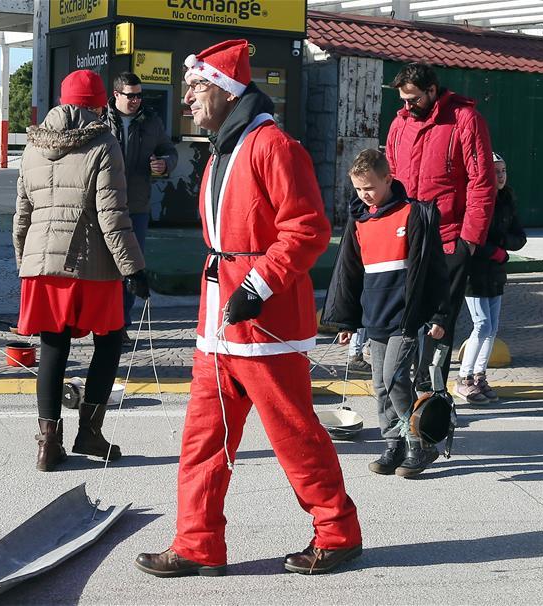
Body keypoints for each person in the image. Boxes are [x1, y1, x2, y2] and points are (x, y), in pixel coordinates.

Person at [134, 39, 361, 578]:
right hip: (218, 323)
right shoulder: (224, 148)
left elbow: (307, 230)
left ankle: (338, 532)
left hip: (264, 323)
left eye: (193, 87)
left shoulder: (273, 145)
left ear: (222, 89)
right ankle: (197, 543)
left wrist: (257, 286)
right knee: (202, 438)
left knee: (294, 435)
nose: (185, 98)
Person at [13, 69, 148, 472]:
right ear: (99, 103)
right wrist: (135, 268)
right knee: (108, 342)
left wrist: (26, 263)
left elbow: (22, 213)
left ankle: (47, 445)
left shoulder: (33, 144)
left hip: (41, 264)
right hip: (91, 265)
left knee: (53, 348)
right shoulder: (104, 142)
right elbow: (112, 215)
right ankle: (89, 431)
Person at [323, 149, 449, 477]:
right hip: (374, 318)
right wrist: (347, 321)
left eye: (371, 187)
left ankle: (419, 445)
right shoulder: (360, 220)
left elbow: (434, 268)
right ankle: (394, 444)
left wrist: (438, 316)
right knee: (380, 384)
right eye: (359, 189)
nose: (365, 195)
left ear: (388, 179)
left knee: (395, 380)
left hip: (406, 318)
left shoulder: (413, 214)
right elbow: (349, 272)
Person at [384, 62, 496, 392]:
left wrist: (470, 241)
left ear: (432, 91)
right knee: (401, 317)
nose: (407, 107)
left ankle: (432, 395)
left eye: (414, 99)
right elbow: (389, 178)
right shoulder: (399, 124)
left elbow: (482, 182)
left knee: (438, 325)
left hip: (450, 239)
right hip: (406, 235)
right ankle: (400, 393)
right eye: (403, 100)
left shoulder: (466, 120)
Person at [104, 72, 178, 344]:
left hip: (137, 207)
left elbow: (170, 150)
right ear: (116, 95)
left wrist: (165, 164)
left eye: (139, 95)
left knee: (131, 268)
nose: (136, 100)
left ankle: (121, 324)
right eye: (130, 95)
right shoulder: (99, 120)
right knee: (104, 267)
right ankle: (100, 321)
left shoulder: (151, 121)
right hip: (103, 207)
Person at [455, 152, 526, 405]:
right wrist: (491, 250)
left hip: (495, 271)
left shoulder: (507, 200)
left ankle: (479, 376)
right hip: (473, 272)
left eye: (503, 171)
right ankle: (463, 379)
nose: (500, 176)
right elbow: (468, 235)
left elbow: (519, 236)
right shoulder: (475, 199)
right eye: (495, 171)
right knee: (481, 324)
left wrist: (502, 247)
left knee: (492, 327)